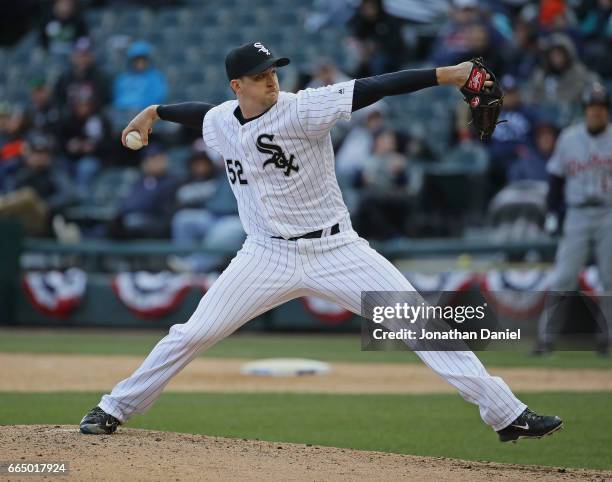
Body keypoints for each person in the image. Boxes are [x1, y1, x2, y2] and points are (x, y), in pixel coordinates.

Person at [80, 42, 563, 443]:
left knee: (422, 324)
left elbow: (377, 86)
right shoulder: (223, 121)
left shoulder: (303, 108)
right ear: (237, 87)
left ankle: (506, 414)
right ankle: (113, 407)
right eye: (260, 74)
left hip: (338, 252)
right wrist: (154, 112)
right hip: (264, 255)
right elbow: (199, 114)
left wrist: (449, 74)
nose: (271, 79)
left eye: (273, 71)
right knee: (192, 334)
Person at [535, 83, 612, 355]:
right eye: (592, 108)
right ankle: (545, 340)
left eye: (601, 108)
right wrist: (553, 213)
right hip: (577, 213)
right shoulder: (569, 138)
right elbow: (555, 179)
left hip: (608, 214)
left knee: (610, 279)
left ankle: (608, 341)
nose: (596, 113)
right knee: (563, 278)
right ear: (585, 111)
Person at [112, 41, 168, 111]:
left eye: (143, 59)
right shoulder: (123, 78)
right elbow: (117, 99)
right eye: (137, 60)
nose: (140, 63)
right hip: (123, 115)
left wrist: (139, 107)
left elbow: (157, 99)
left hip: (146, 115)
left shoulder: (156, 77)